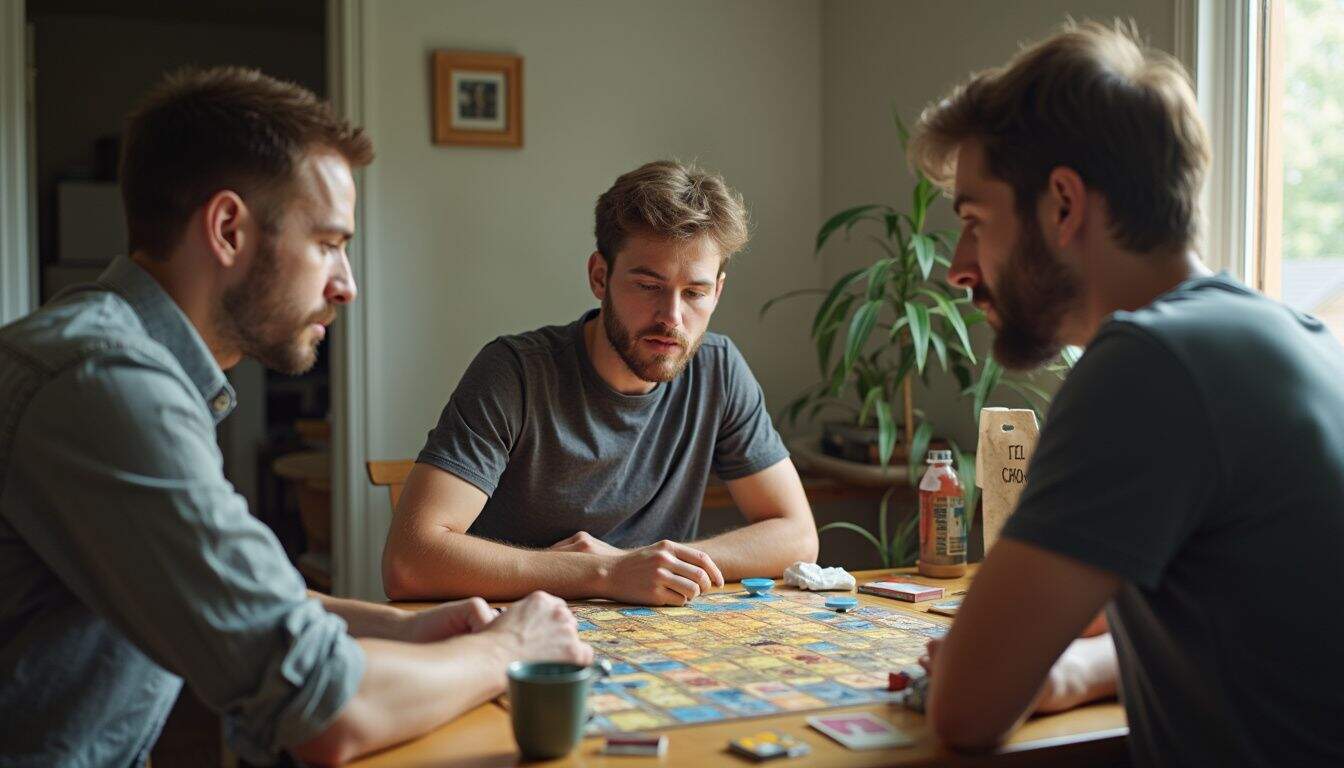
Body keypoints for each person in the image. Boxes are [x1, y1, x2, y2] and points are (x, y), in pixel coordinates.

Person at [0, 67, 590, 767]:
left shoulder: (121, 363)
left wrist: (409, 629)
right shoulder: (105, 384)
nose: (347, 285)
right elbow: (329, 713)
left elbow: (241, 602)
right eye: (329, 243)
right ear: (227, 229)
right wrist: (512, 649)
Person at [907, 20, 1344, 766]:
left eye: (976, 222)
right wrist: (1072, 671)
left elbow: (967, 709)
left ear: (1065, 205)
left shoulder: (1149, 365)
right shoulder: (1292, 338)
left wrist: (984, 669)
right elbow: (1235, 632)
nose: (958, 266)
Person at [383, 160, 818, 605]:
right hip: (516, 638)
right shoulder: (515, 372)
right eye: (648, 285)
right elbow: (409, 561)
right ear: (599, 276)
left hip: (655, 644)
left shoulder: (718, 369)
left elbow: (797, 536)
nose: (671, 317)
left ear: (717, 293)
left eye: (694, 293)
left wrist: (652, 565)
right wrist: (603, 572)